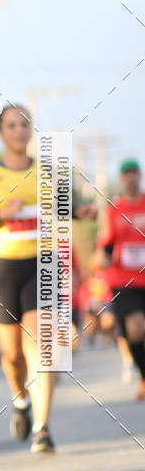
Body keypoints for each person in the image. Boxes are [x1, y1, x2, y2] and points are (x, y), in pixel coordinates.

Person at [0, 103, 95, 452]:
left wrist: (81, 213)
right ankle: (20, 399)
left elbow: (65, 208)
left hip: (42, 262)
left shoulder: (47, 173)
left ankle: (43, 427)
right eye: (12, 125)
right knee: (11, 354)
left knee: (43, 343)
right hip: (3, 266)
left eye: (25, 125)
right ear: (1, 132)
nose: (20, 131)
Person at [96, 159, 145, 401]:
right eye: (126, 173)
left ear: (140, 175)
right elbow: (105, 245)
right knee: (135, 330)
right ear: (121, 178)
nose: (131, 177)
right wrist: (103, 259)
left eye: (134, 172)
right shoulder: (114, 210)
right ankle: (144, 376)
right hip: (125, 280)